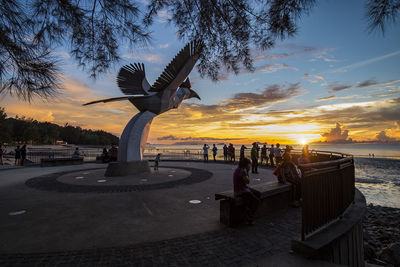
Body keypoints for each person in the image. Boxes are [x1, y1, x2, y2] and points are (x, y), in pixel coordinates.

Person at [233, 157, 260, 225]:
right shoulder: (243, 170)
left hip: (243, 188)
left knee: (258, 193)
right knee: (256, 200)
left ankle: (249, 213)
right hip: (240, 191)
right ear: (246, 164)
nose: (249, 166)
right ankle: (249, 217)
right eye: (249, 164)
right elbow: (248, 181)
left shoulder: (239, 169)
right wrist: (247, 171)